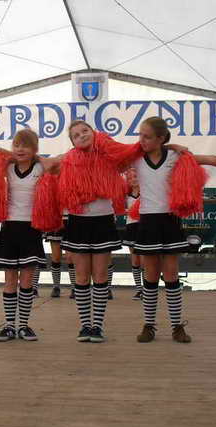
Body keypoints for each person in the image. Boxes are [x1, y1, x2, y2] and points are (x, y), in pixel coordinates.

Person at [132, 116, 216, 343]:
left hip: (170, 220)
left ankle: (177, 326)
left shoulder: (175, 157)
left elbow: (209, 159)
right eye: (140, 135)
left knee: (171, 274)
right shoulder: (136, 158)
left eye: (147, 137)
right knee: (150, 276)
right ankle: (148, 325)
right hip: (147, 221)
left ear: (161, 138)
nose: (142, 140)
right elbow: (107, 159)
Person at [58, 120, 142, 343]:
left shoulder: (109, 156)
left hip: (103, 221)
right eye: (76, 135)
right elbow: (44, 164)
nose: (82, 136)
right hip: (78, 222)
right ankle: (85, 325)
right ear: (72, 143)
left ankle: (98, 326)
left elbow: (135, 153)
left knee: (101, 275)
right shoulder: (67, 160)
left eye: (85, 131)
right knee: (82, 276)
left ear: (94, 132)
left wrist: (171, 147)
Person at [0, 129, 60, 341]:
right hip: (10, 227)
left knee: (27, 279)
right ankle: (9, 325)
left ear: (35, 149)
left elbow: (61, 161)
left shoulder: (41, 167)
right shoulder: (7, 167)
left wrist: (40, 158)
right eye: (16, 145)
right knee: (10, 278)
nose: (20, 149)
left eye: (26, 145)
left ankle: (23, 325)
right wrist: (11, 155)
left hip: (32, 228)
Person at [122, 168, 143, 300]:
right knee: (135, 260)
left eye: (135, 177)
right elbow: (119, 207)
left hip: (144, 226)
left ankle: (148, 288)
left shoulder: (146, 192)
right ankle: (139, 289)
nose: (133, 180)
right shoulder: (126, 194)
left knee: (145, 259)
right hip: (131, 227)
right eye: (130, 178)